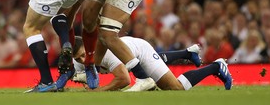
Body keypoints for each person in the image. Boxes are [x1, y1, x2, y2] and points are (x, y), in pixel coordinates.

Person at [69, 36, 232, 91]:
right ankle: (187, 53)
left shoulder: (107, 53)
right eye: (78, 59)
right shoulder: (78, 61)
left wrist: (100, 91)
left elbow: (124, 79)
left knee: (175, 87)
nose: (82, 61)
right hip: (132, 51)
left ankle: (216, 66)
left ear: (88, 46)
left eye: (83, 55)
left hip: (142, 51)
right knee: (153, 74)